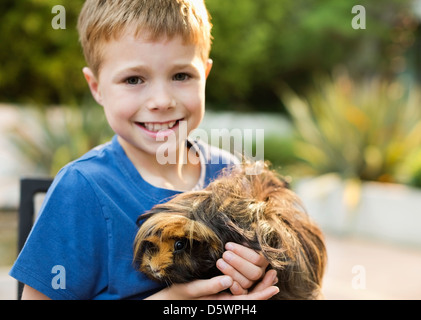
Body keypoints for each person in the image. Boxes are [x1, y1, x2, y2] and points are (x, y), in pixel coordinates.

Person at [9, 0, 279, 300]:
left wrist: (265, 265)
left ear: (205, 74)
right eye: (134, 79)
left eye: (181, 76)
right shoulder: (81, 189)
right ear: (96, 86)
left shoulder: (236, 176)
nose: (161, 100)